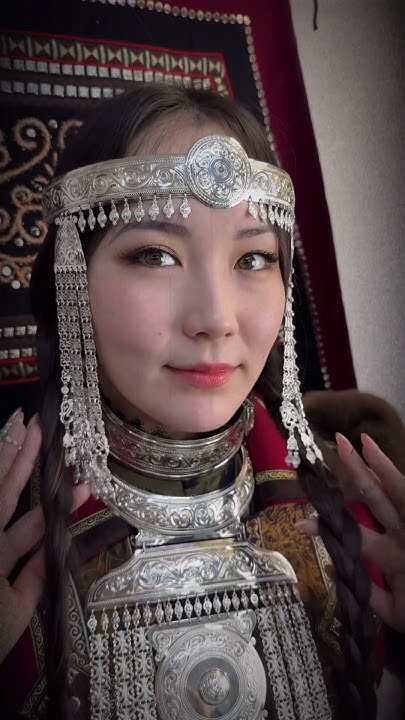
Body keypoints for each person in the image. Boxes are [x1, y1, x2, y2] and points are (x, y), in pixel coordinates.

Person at [0, 83, 404, 720]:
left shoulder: (360, 522)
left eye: (253, 258)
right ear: (71, 279)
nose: (216, 319)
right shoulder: (11, 544)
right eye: (155, 255)